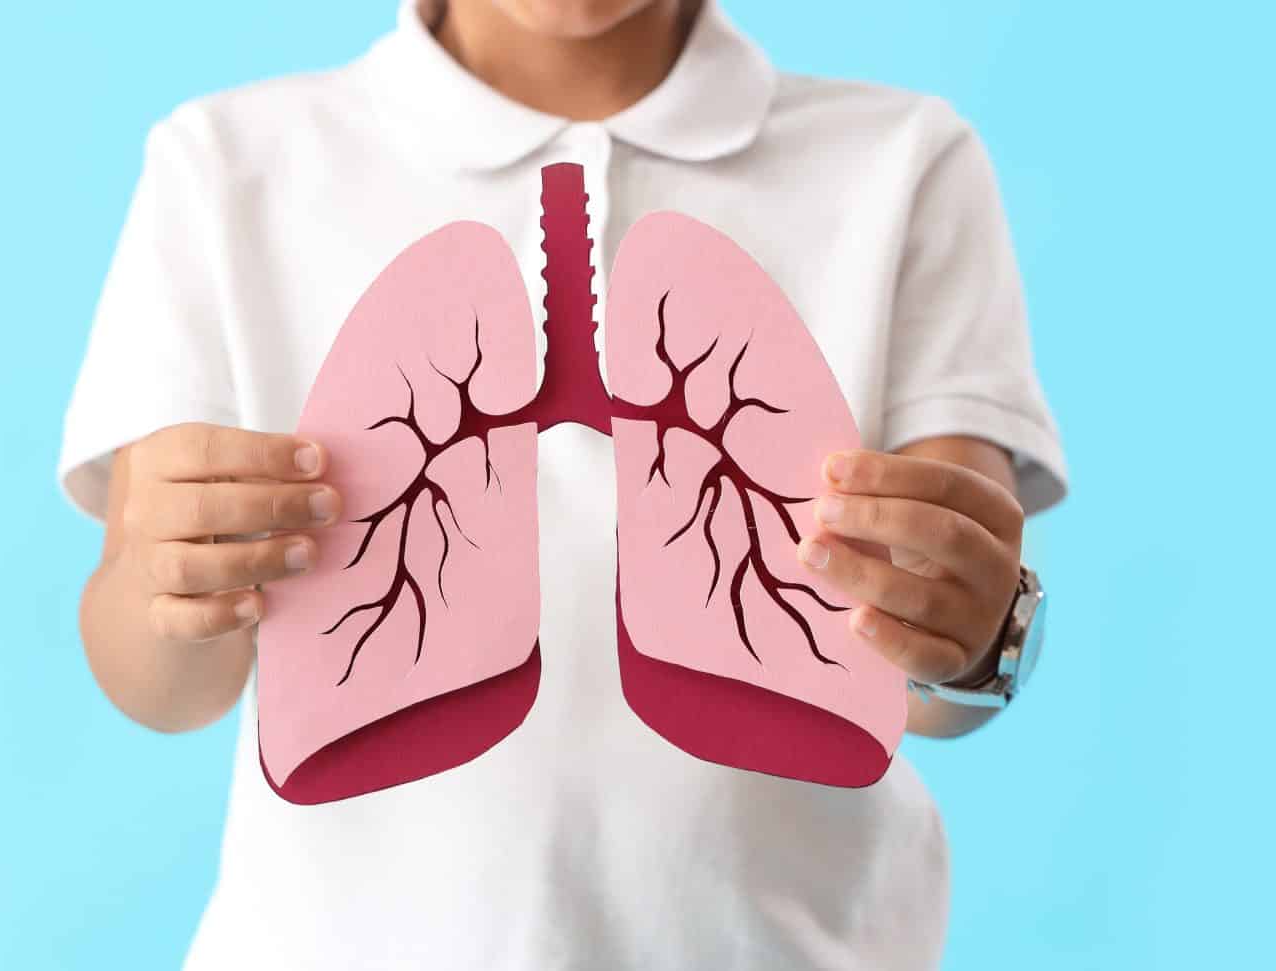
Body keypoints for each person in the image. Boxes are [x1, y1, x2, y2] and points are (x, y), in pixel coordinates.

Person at [59, 1, 1068, 967]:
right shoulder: (228, 167)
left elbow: (939, 674)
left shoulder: (902, 164)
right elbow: (162, 678)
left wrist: (980, 633)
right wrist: (170, 584)